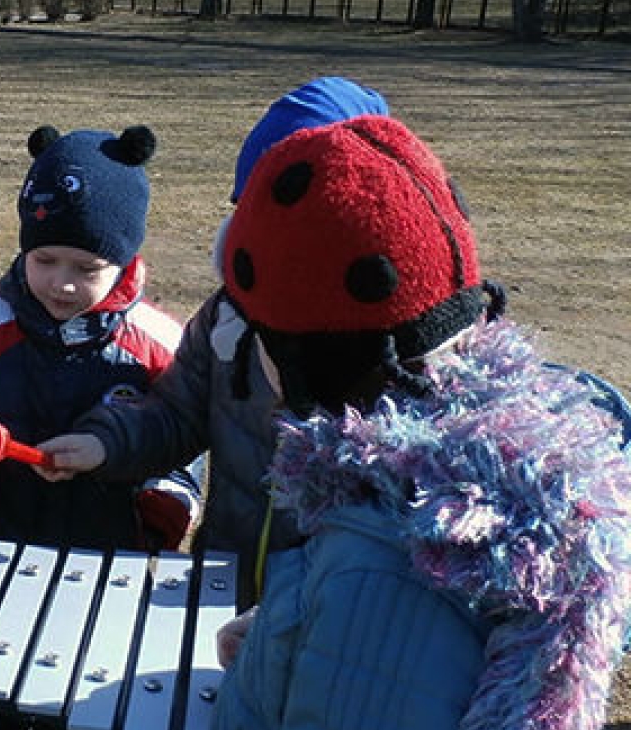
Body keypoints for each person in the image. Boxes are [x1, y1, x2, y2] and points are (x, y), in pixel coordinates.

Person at [200, 115, 631, 730]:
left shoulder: (381, 569)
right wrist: (286, 635)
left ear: (298, 360)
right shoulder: (485, 470)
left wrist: (334, 619)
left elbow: (377, 654)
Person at [35, 76, 390, 607]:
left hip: (336, 610)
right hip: (225, 585)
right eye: (254, 214)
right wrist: (107, 442)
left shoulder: (395, 352)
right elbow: (178, 414)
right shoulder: (229, 317)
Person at [0, 124, 198, 553]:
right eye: (45, 260)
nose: (61, 283)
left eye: (87, 269)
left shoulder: (160, 342)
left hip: (108, 551)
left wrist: (161, 512)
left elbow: (180, 445)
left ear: (124, 263)